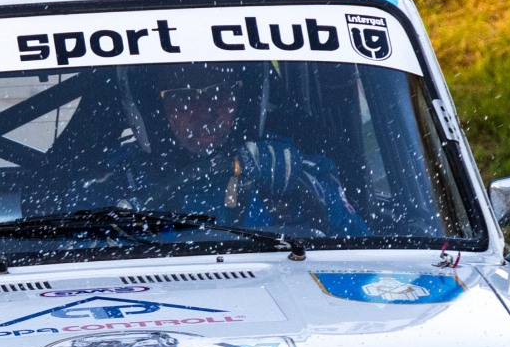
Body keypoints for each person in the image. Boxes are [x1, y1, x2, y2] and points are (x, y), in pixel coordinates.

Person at [64, 67, 366, 236]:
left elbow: (360, 248)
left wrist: (309, 191)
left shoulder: (289, 167)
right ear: (155, 108)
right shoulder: (114, 184)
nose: (205, 112)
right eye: (183, 98)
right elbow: (67, 252)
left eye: (220, 92)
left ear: (243, 98)